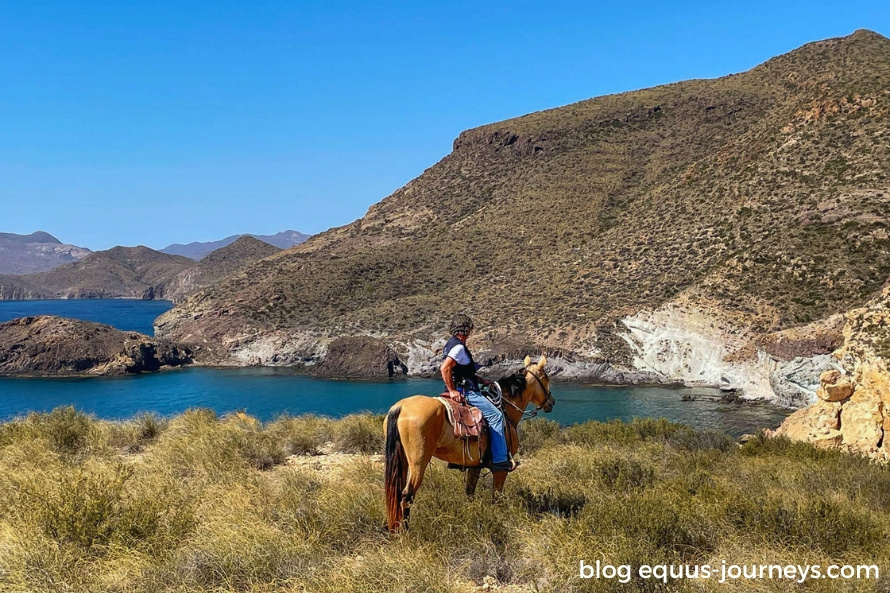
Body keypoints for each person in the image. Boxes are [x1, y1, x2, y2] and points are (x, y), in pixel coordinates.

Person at [440, 313, 517, 472]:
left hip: (467, 386)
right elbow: (445, 368)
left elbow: (461, 371)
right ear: (465, 330)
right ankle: (500, 459)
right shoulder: (459, 347)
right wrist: (453, 390)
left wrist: (481, 380)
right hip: (467, 392)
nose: (470, 333)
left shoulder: (450, 344)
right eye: (469, 330)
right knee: (496, 416)